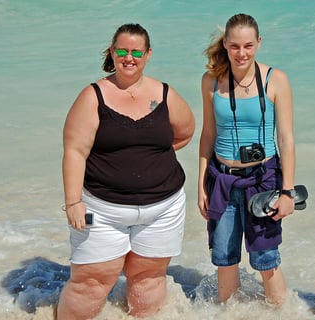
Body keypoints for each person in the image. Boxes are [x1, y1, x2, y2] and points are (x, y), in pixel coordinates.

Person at [57, 23, 195, 319]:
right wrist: (73, 201)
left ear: (148, 54)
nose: (128, 57)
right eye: (121, 50)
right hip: (102, 208)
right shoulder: (93, 96)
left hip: (164, 208)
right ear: (112, 52)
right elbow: (74, 151)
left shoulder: (165, 93)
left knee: (148, 278)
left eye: (135, 51)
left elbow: (185, 133)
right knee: (91, 282)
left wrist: (147, 158)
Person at [197, 13, 296, 305]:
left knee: (266, 258)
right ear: (226, 44)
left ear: (259, 43)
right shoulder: (211, 81)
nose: (242, 53)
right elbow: (207, 135)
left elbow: (286, 139)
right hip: (222, 181)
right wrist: (201, 185)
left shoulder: (275, 79)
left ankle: (282, 313)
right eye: (236, 46)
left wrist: (287, 192)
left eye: (248, 46)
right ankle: (230, 312)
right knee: (224, 257)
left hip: (263, 179)